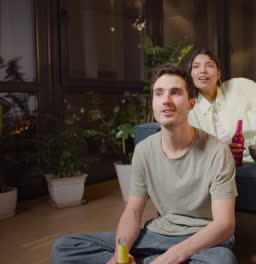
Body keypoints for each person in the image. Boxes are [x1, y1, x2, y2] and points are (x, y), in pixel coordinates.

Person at [51, 64, 238, 264]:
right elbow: (133, 210)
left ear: (191, 104)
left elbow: (224, 225)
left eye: (175, 93)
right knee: (64, 248)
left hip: (202, 240)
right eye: (159, 93)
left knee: (223, 261)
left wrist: (172, 256)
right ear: (153, 103)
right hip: (157, 235)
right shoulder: (143, 150)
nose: (166, 100)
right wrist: (120, 253)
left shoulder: (217, 152)